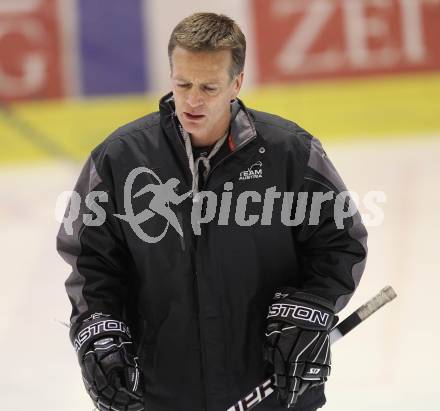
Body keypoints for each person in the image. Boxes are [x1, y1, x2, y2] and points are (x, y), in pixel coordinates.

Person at [57, 12, 367, 411]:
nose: (192, 100)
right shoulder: (119, 159)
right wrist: (98, 333)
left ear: (237, 83)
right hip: (160, 392)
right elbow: (92, 263)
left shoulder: (289, 152)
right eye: (182, 84)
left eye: (208, 86)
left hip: (271, 386)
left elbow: (340, 242)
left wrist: (311, 307)